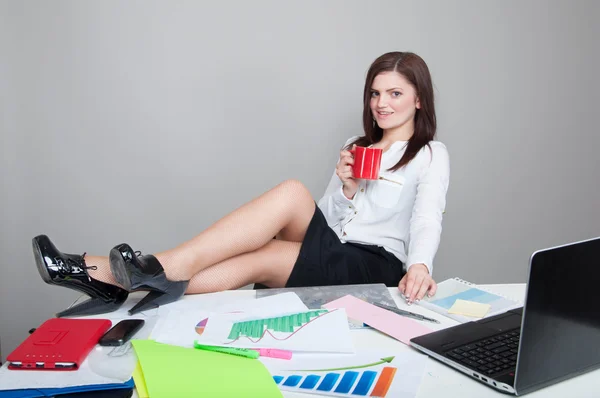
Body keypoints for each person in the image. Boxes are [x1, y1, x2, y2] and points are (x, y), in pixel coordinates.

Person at [32, 51, 450, 317]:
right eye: (376, 93)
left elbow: (427, 218)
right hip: (335, 247)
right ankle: (122, 275)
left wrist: (420, 266)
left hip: (375, 266)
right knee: (289, 202)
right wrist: (347, 189)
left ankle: (117, 272)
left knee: (271, 237)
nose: (381, 103)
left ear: (418, 99)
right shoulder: (354, 147)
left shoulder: (430, 154)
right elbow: (324, 217)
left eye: (395, 94)